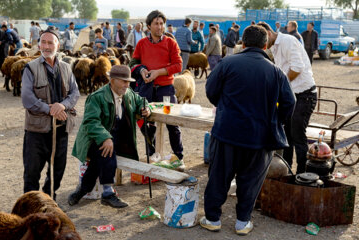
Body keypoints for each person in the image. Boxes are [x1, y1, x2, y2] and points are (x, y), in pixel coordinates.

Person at [200, 25, 295, 235]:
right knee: (250, 180)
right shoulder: (276, 71)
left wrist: (224, 107)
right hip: (259, 139)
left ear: (243, 43)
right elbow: (290, 102)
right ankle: (243, 222)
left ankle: (212, 219)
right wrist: (274, 120)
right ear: (265, 45)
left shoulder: (227, 63)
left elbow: (210, 90)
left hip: (226, 133)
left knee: (219, 176)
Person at [68, 65, 150, 208]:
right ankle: (108, 192)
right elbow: (91, 122)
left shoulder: (128, 93)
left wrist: (146, 109)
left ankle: (83, 189)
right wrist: (105, 138)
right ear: (112, 81)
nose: (127, 85)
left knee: (99, 159)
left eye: (128, 81)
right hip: (93, 139)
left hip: (118, 139)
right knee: (106, 150)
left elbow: (140, 101)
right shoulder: (96, 97)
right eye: (123, 81)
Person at [21, 28, 80, 199]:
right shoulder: (30, 68)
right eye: (43, 42)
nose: (46, 46)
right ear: (39, 44)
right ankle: (31, 208)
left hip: (61, 130)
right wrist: (51, 109)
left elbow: (75, 93)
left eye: (50, 42)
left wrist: (62, 106)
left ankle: (49, 201)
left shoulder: (66, 68)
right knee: (32, 173)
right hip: (37, 131)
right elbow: (27, 99)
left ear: (58, 45)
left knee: (57, 172)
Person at [258, 22, 317, 174]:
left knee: (298, 136)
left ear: (269, 34)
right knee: (287, 137)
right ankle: (288, 172)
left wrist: (280, 85)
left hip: (305, 95)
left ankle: (302, 175)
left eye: (264, 42)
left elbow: (297, 67)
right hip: (292, 94)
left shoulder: (288, 41)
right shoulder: (274, 46)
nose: (264, 46)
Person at [129, 10, 185, 169]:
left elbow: (178, 65)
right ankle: (152, 154)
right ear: (148, 26)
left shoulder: (170, 43)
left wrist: (158, 72)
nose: (160, 27)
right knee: (146, 121)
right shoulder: (141, 44)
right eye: (156, 23)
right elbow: (132, 64)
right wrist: (141, 70)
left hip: (165, 90)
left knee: (171, 121)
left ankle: (179, 157)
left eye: (162, 23)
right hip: (147, 90)